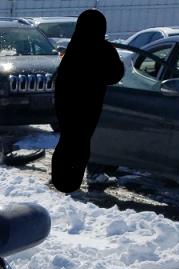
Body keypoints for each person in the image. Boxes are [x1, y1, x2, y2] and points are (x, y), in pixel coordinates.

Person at [50, 9, 124, 193]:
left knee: (67, 140)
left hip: (66, 104)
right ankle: (71, 180)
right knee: (81, 141)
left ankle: (61, 179)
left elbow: (60, 77)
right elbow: (115, 75)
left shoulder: (74, 47)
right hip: (89, 104)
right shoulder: (104, 49)